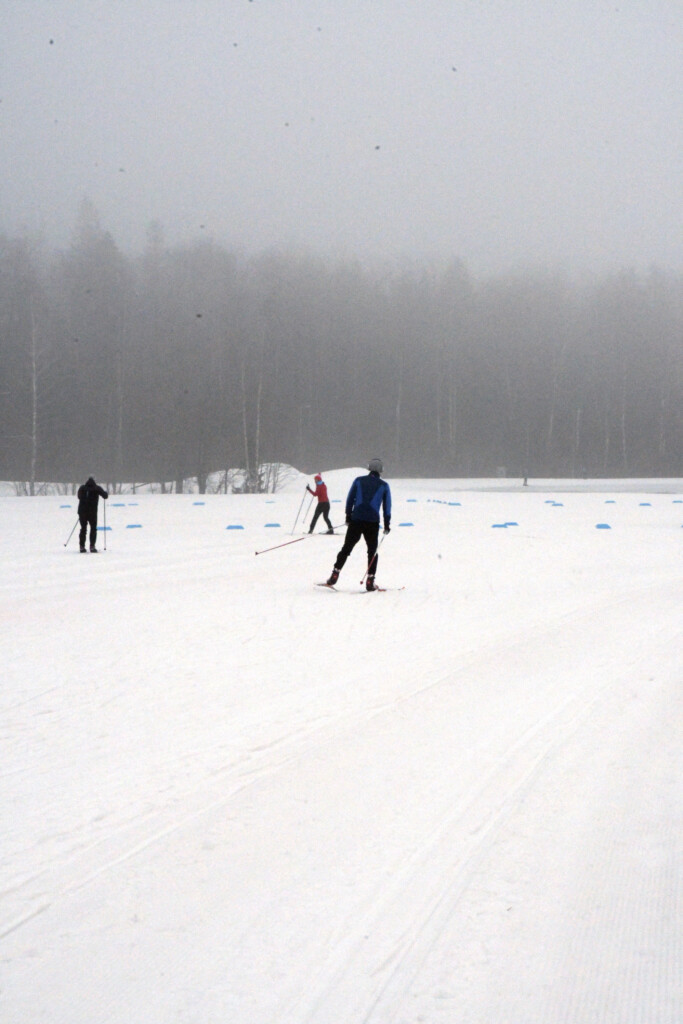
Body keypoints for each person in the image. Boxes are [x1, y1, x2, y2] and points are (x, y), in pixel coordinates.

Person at [326, 458, 391, 591]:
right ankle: (370, 581)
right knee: (372, 552)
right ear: (381, 471)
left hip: (356, 520)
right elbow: (387, 506)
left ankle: (335, 573)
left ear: (369, 468)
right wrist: (386, 524)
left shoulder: (358, 480)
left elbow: (350, 498)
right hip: (372, 522)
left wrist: (348, 516)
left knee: (346, 548)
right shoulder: (384, 485)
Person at [77, 476, 109, 552]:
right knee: (93, 529)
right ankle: (92, 546)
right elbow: (105, 496)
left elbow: (79, 496)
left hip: (82, 511)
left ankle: (82, 546)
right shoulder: (97, 488)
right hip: (92, 512)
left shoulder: (82, 488)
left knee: (83, 529)